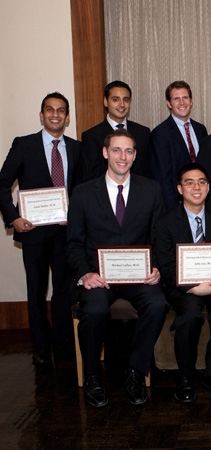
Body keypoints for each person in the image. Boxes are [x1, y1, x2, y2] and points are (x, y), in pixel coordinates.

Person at [66, 129, 170, 408]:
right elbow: (73, 243)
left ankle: (135, 372)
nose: (122, 157)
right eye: (116, 150)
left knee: (159, 304)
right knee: (95, 309)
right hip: (99, 278)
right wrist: (85, 274)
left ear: (135, 156)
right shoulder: (82, 193)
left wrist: (158, 267)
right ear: (105, 152)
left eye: (128, 151)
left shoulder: (152, 189)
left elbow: (159, 238)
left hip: (140, 277)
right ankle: (92, 376)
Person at [0, 92, 81, 366]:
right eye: (49, 110)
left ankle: (61, 341)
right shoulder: (24, 145)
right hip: (33, 232)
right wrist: (13, 218)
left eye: (60, 110)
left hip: (65, 233)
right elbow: (2, 184)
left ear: (67, 117)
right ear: (41, 115)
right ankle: (41, 346)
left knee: (63, 291)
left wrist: (76, 216)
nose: (55, 114)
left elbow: (82, 191)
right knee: (35, 290)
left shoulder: (77, 148)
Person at [155, 162, 211, 403]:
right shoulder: (165, 221)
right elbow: (165, 266)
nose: (196, 187)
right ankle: (185, 376)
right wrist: (192, 287)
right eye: (189, 182)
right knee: (190, 316)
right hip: (183, 287)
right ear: (179, 189)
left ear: (208, 187)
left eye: (202, 182)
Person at [79, 80, 152, 183]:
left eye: (126, 100)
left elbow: (147, 172)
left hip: (138, 194)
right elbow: (90, 177)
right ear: (105, 101)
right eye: (115, 99)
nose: (122, 104)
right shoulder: (92, 136)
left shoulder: (143, 133)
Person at [151, 80, 208, 210]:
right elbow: (163, 177)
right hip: (176, 204)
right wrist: (175, 209)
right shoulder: (160, 134)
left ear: (191, 101)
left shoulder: (201, 130)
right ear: (168, 103)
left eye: (185, 98)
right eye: (176, 99)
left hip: (202, 201)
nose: (182, 103)